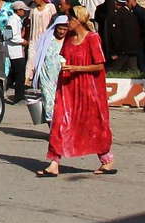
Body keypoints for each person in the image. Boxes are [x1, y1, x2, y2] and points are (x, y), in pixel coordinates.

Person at [38, 12, 110, 175]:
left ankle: (106, 158)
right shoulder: (69, 39)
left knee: (92, 124)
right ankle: (54, 162)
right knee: (59, 122)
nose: (68, 22)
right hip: (67, 88)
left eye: (71, 19)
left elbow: (99, 66)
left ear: (80, 20)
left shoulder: (92, 38)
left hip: (87, 89)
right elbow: (63, 57)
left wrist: (76, 68)